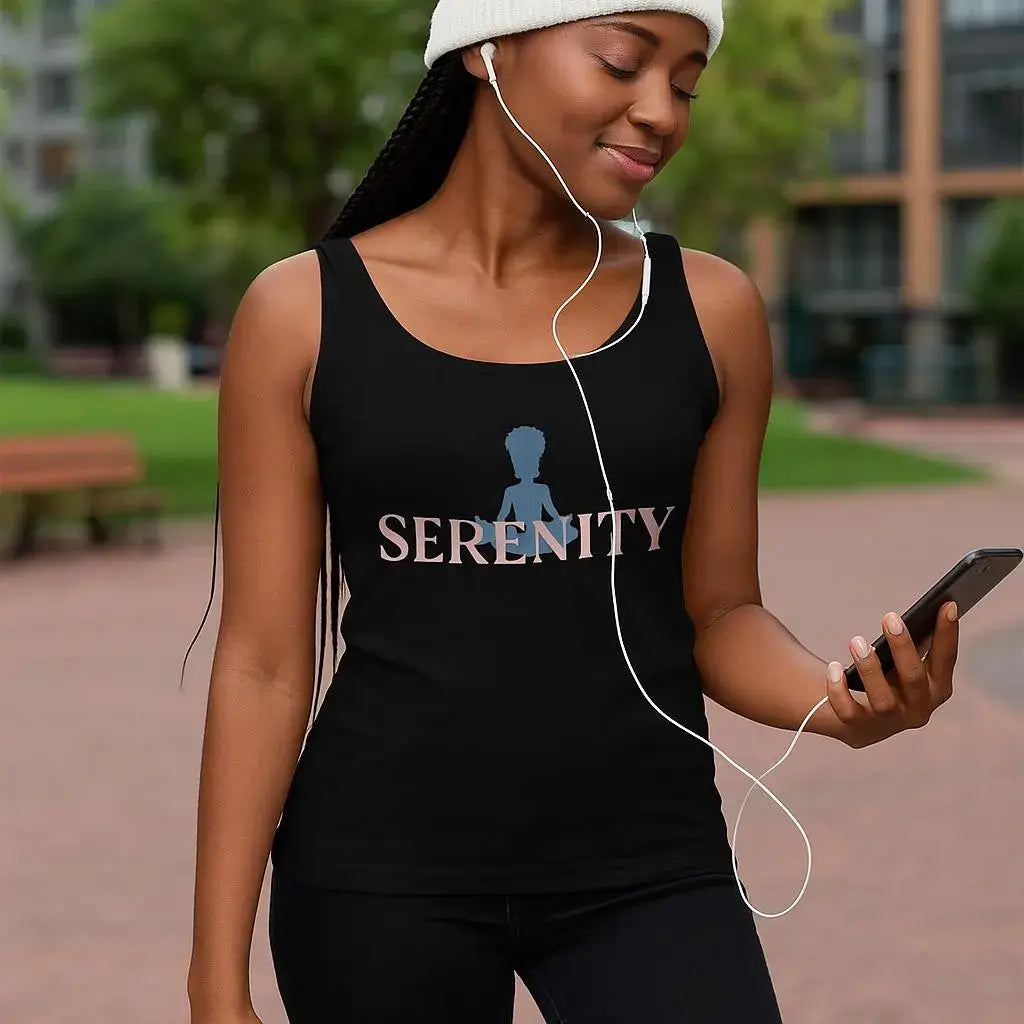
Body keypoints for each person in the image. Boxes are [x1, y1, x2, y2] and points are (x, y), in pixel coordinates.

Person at [186, 3, 961, 1022]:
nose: (662, 113)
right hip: (376, 882)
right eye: (623, 62)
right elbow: (262, 662)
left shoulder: (710, 311)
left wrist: (834, 701)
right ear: (486, 49)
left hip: (653, 874)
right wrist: (214, 984)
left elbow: (720, 614)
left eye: (685, 82)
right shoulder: (302, 313)